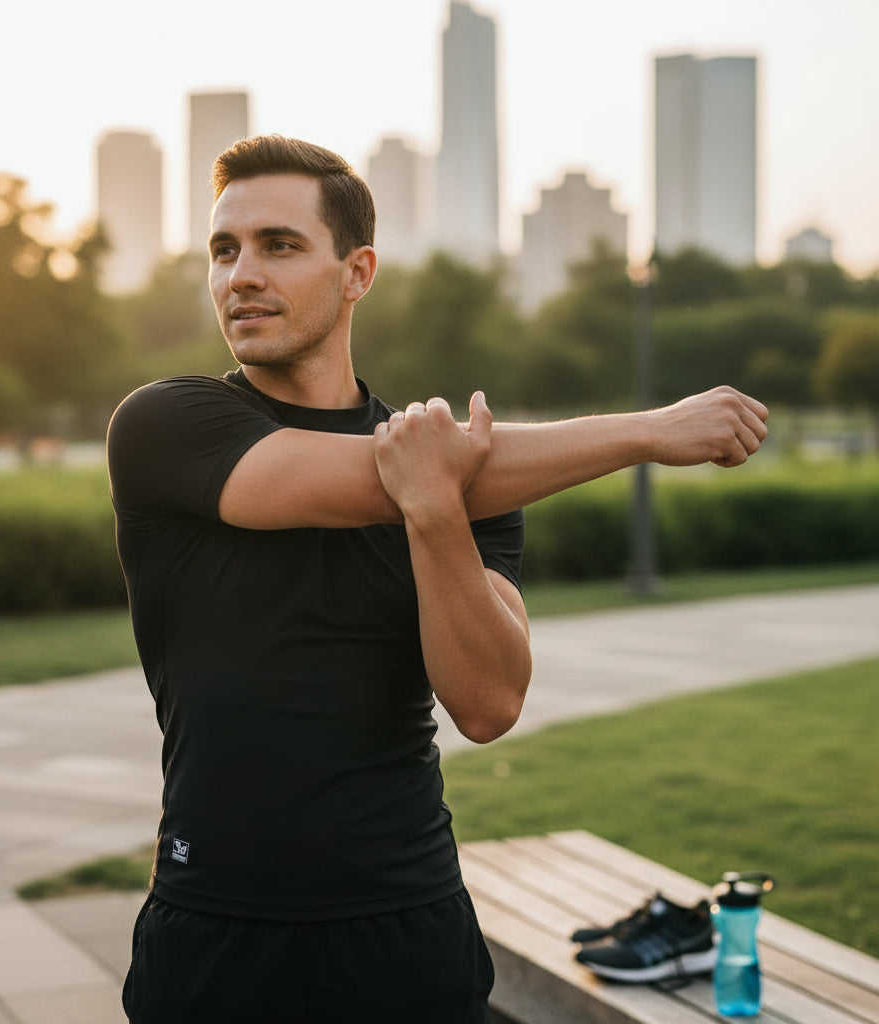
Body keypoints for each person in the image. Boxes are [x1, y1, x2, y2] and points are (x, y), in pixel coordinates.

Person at [106, 135, 768, 1023]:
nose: (241, 275)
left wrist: (438, 508)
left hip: (408, 928)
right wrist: (647, 431)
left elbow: (489, 705)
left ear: (358, 271)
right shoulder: (165, 424)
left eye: (280, 245)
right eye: (224, 250)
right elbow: (357, 477)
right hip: (218, 927)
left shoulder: (465, 480)